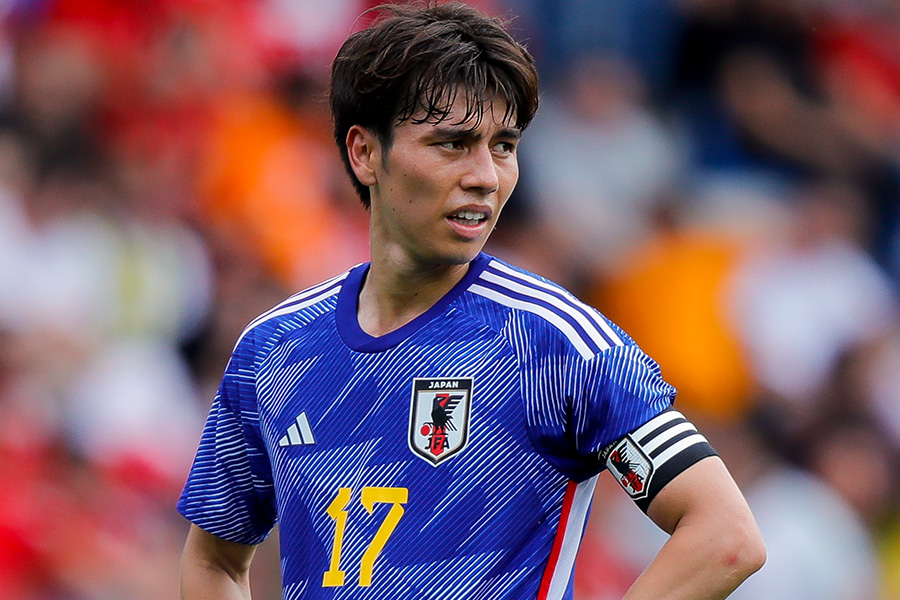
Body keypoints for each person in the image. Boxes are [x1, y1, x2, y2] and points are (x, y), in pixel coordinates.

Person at [177, 3, 766, 599]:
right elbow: (214, 562)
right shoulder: (273, 349)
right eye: (453, 144)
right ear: (365, 153)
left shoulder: (555, 343)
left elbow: (724, 535)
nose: (485, 175)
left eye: (503, 146)